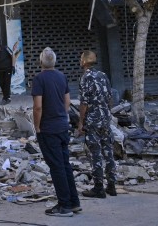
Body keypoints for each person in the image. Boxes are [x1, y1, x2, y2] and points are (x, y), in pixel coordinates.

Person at [32, 47, 80, 217]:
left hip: (48, 128)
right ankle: (74, 202)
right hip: (62, 126)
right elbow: (67, 102)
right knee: (65, 164)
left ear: (40, 62)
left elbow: (38, 107)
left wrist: (37, 126)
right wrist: (62, 116)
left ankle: (64, 205)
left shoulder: (39, 79)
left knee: (56, 166)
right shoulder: (61, 76)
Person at [77, 50, 117, 198]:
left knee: (95, 153)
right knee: (108, 151)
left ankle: (98, 187)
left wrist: (81, 122)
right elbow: (110, 97)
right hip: (105, 118)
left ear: (85, 61)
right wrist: (107, 113)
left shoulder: (85, 78)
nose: (80, 61)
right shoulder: (103, 75)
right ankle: (111, 185)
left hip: (93, 120)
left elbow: (84, 103)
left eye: (81, 58)